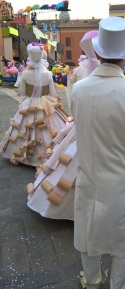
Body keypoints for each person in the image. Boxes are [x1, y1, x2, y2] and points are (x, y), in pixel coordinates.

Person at [71, 16, 125, 289]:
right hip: (119, 182)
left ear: (97, 52)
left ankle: (92, 280)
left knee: (88, 233)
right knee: (123, 242)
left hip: (88, 177)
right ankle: (118, 286)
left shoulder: (79, 90)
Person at [26, 31, 100, 217]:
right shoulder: (102, 74)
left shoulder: (77, 72)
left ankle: (53, 202)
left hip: (78, 124)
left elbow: (72, 100)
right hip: (100, 129)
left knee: (66, 158)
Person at [0, 42, 70, 167]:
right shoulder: (48, 74)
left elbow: (21, 92)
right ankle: (49, 152)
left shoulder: (25, 74)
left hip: (30, 102)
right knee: (49, 128)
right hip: (46, 102)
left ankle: (22, 153)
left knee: (24, 126)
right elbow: (53, 92)